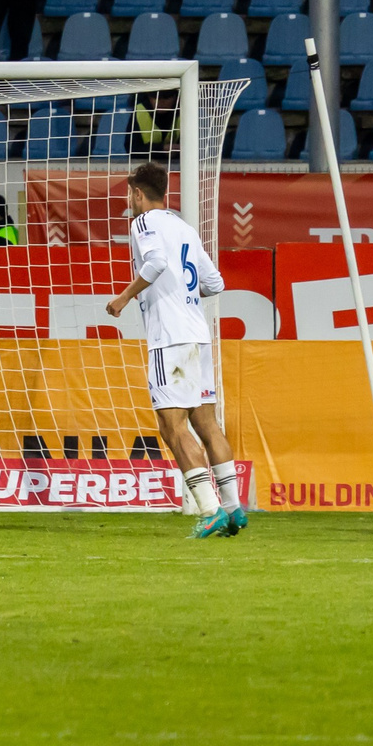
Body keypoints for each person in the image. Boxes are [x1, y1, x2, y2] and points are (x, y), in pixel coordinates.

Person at [105, 161, 241, 538]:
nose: (128, 200)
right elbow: (215, 283)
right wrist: (182, 293)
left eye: (129, 193)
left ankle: (211, 511)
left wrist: (124, 298)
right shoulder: (184, 227)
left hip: (171, 337)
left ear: (138, 193)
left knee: (171, 425)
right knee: (206, 424)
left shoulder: (143, 222)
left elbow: (157, 262)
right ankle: (234, 508)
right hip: (198, 335)